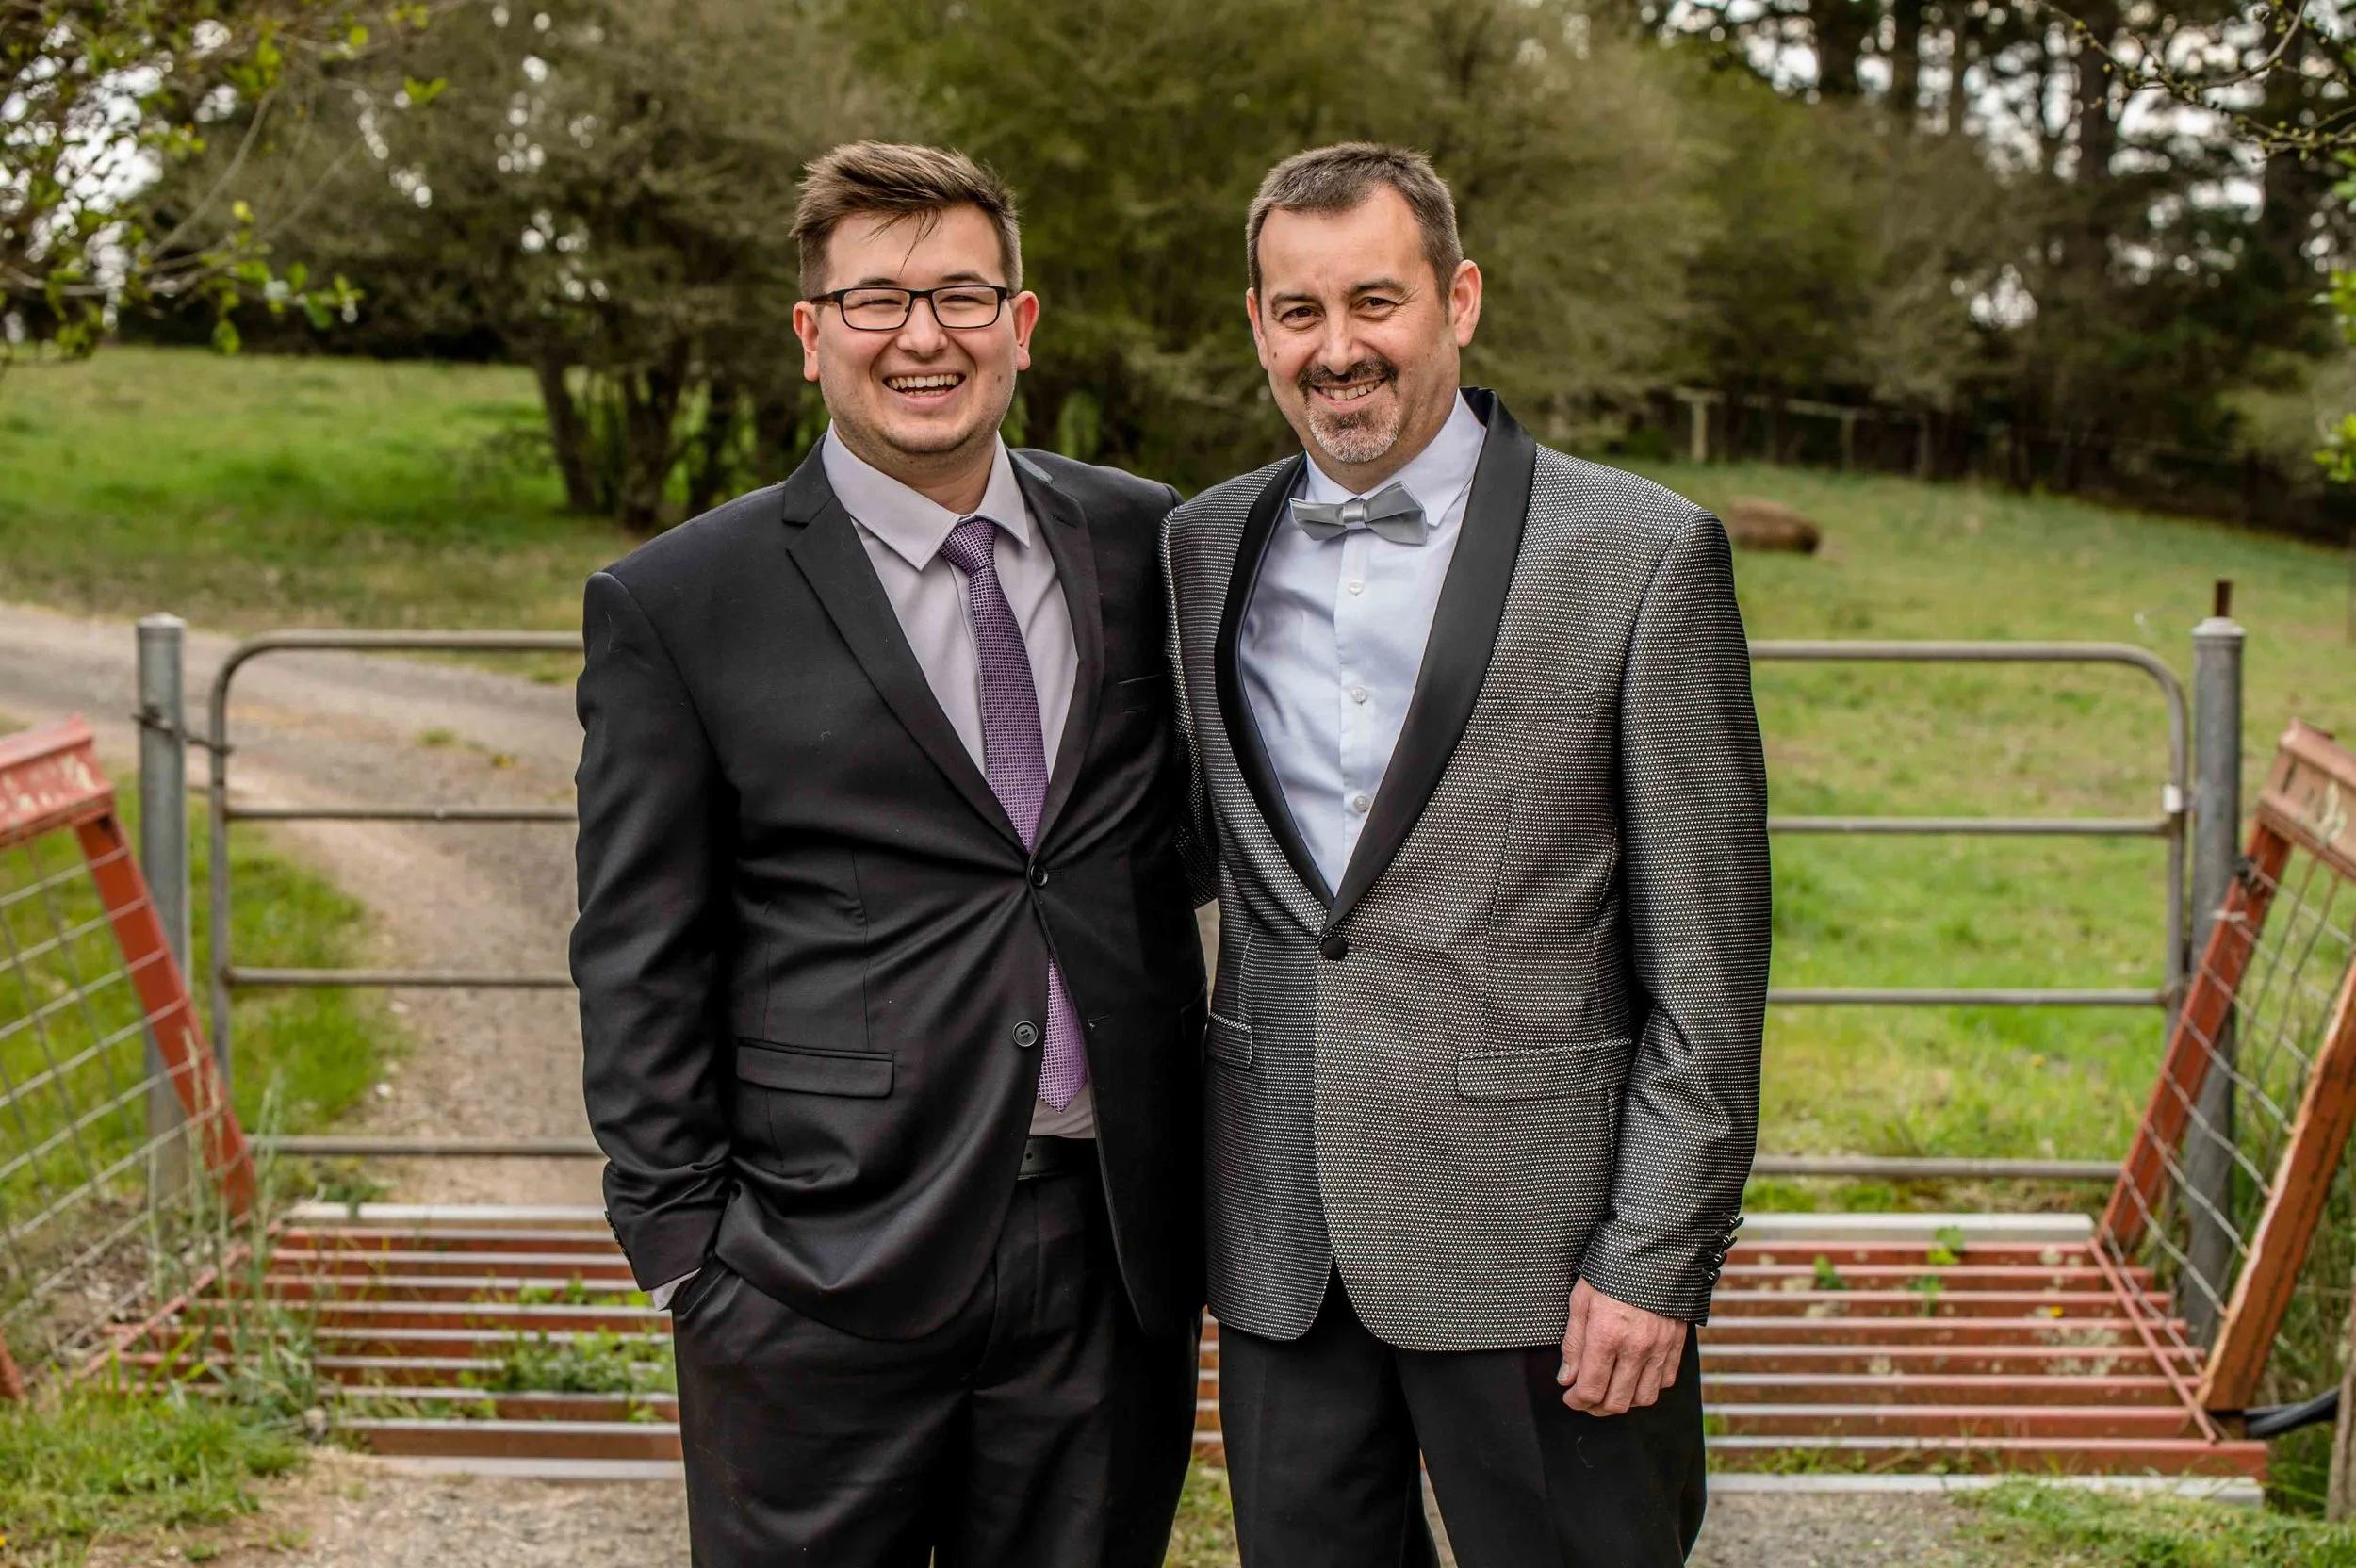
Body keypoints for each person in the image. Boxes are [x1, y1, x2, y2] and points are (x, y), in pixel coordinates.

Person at [572, 140, 1205, 1567]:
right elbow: (637, 948)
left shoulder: (1143, 540)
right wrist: (685, 1255)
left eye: (963, 296)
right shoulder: (680, 602)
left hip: (1107, 1261)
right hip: (813, 1268)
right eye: (876, 301)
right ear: (813, 334)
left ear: (1019, 324)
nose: (925, 336)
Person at [1162, 142, 1770, 1566]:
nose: (1338, 348)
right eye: (1300, 312)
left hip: (1546, 1260)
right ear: (1258, 325)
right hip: (1285, 1245)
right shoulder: (1198, 549)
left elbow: (1711, 965)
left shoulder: (1641, 554)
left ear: (1461, 300)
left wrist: (1654, 1256)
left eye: (1375, 301)